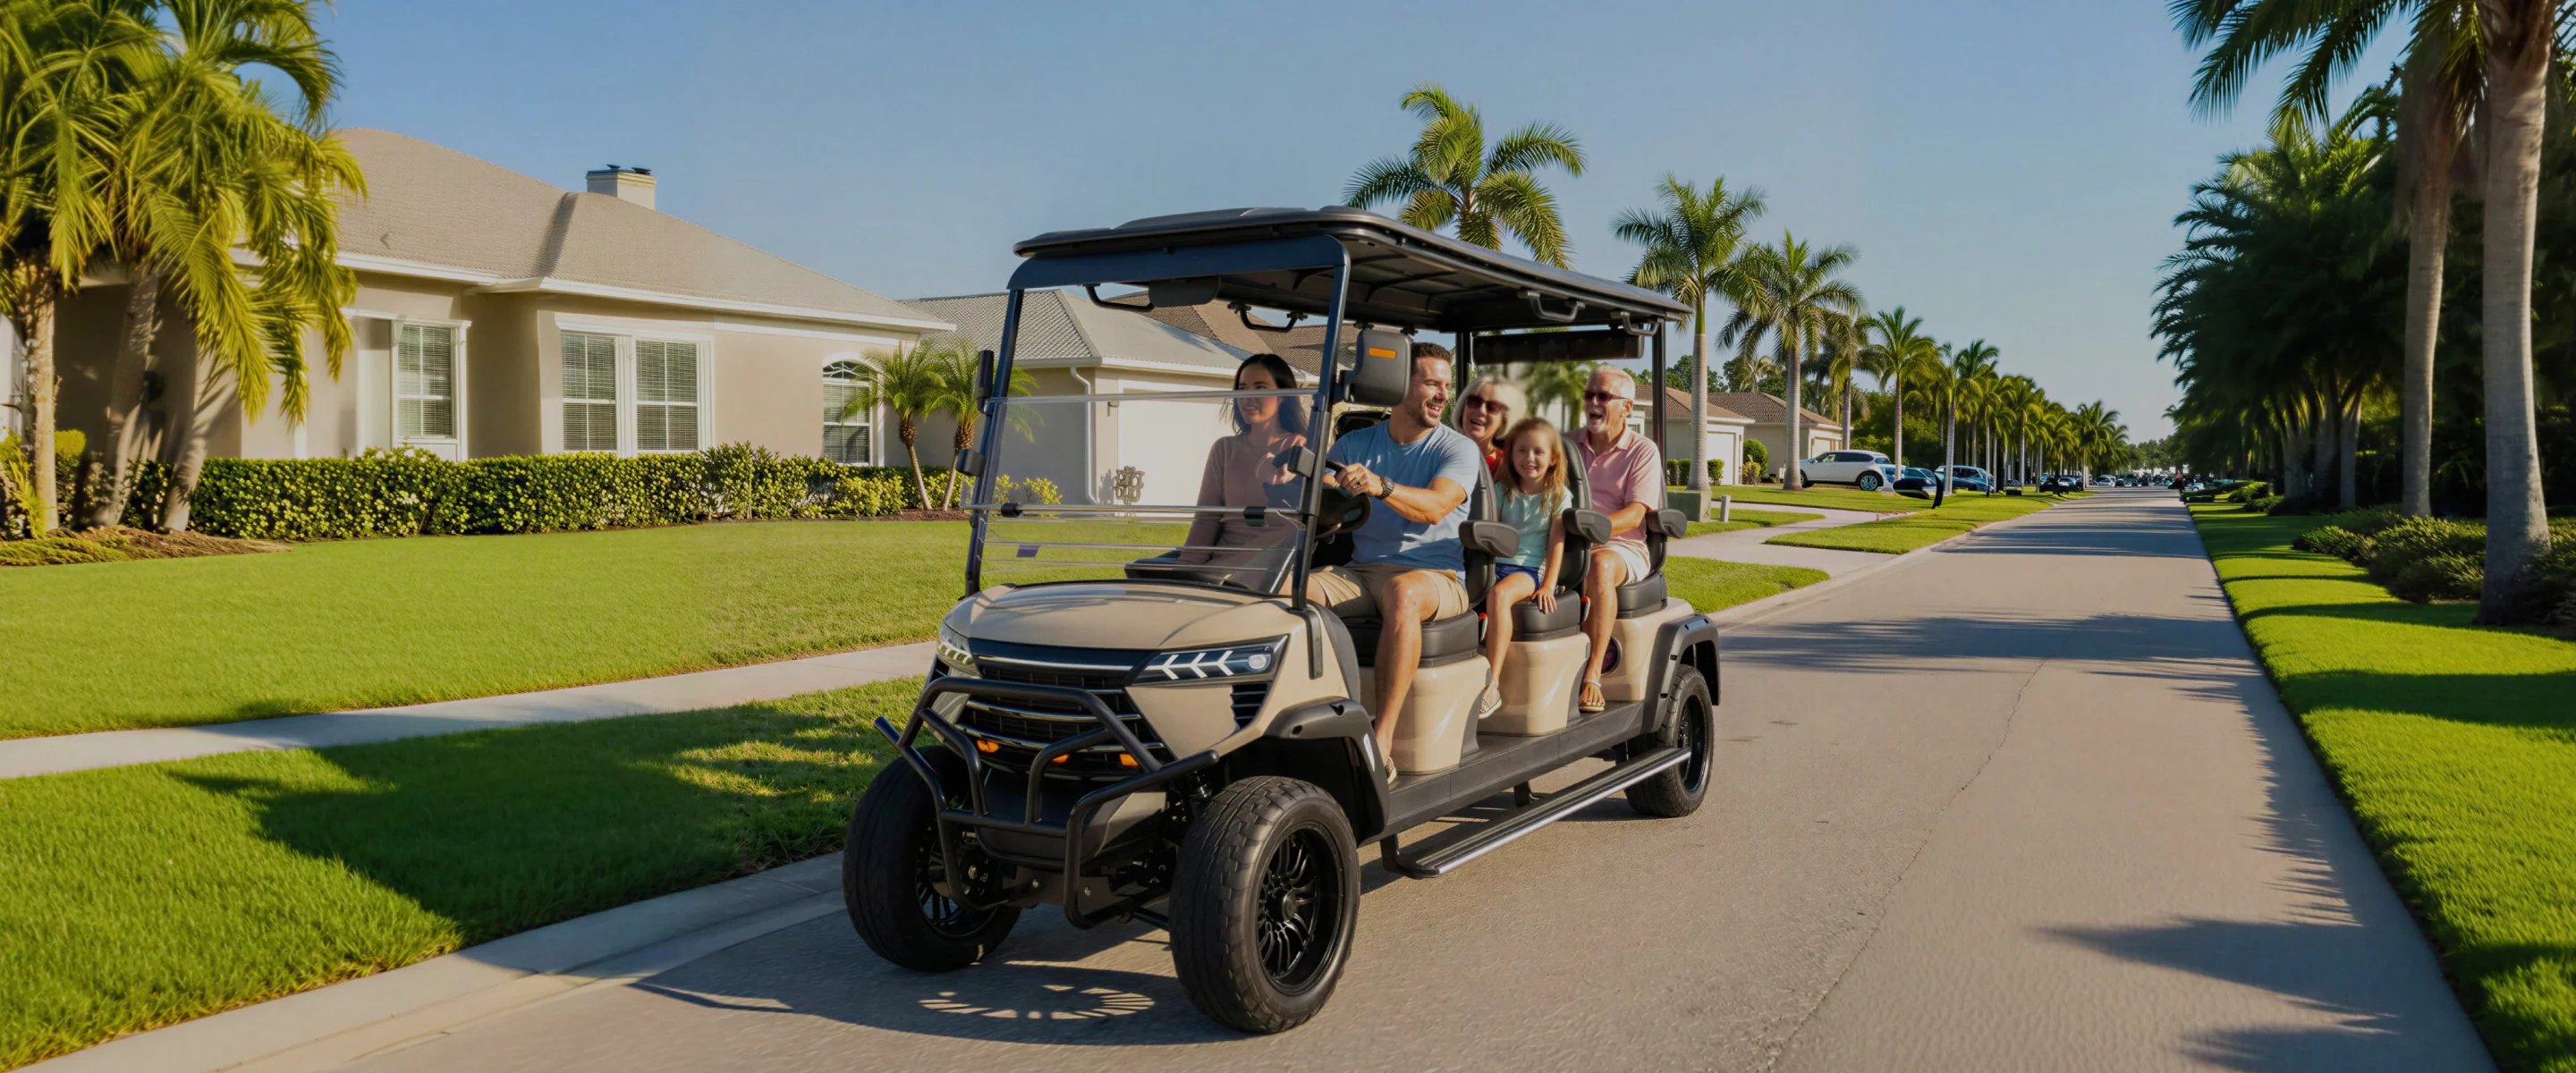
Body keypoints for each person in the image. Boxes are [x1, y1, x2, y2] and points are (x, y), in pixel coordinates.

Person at [1305, 342, 1481, 783]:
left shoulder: (1457, 449)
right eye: (1431, 384)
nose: (1443, 394)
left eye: (1447, 385)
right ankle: (1316, 726)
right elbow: (1320, 487)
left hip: (1436, 577)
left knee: (1402, 594)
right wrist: (1329, 481)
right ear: (1398, 386)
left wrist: (1381, 485)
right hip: (1364, 574)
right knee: (1294, 591)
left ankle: (1380, 742)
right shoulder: (1355, 442)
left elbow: (1437, 507)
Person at [1572, 366, 1661, 714]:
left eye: (1604, 396)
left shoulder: (1642, 451)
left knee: (1599, 564)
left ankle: (1592, 671)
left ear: (1626, 407)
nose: (1594, 402)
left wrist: (1589, 533)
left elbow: (1635, 515)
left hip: (1621, 545)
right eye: (1589, 394)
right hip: (1568, 541)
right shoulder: (1566, 444)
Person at [1178, 354, 1309, 585]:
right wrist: (1186, 570)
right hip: (1221, 568)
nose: (1248, 396)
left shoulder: (1302, 447)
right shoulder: (1224, 448)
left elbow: (1316, 511)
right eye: (1242, 388)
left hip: (1274, 572)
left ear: (1283, 397)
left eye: (1260, 388)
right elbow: (1206, 518)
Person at [1475, 417, 1569, 720]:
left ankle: (1493, 684)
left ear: (1553, 458)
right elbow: (1494, 533)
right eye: (1521, 451)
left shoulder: (1558, 497)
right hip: (1494, 564)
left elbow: (1556, 543)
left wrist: (1548, 584)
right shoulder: (1502, 490)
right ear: (1511, 456)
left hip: (1528, 570)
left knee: (1500, 596)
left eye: (1538, 452)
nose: (1529, 458)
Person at [1452, 373, 1527, 481]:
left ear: (1503, 421)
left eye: (1493, 407)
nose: (1481, 410)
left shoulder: (1509, 468)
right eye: (1475, 401)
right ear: (1463, 409)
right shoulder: (1437, 452)